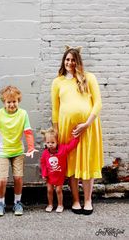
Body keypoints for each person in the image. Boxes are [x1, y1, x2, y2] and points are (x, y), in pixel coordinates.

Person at [51, 45, 103, 215]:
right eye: (67, 59)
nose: (70, 62)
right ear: (63, 61)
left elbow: (98, 103)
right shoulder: (58, 82)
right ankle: (75, 200)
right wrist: (56, 131)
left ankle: (88, 200)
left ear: (78, 61)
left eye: (73, 59)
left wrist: (87, 123)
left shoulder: (89, 78)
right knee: (71, 164)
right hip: (67, 130)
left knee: (86, 162)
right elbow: (55, 110)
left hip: (88, 128)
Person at [0, 86, 37, 216]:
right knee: (2, 180)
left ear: (18, 101)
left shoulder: (23, 114)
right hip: (3, 152)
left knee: (18, 178)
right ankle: (0, 203)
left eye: (14, 101)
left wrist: (31, 147)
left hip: (18, 151)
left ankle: (17, 203)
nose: (12, 104)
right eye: (9, 102)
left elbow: (28, 132)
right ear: (4, 102)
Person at [40, 127, 79, 213]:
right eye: (48, 143)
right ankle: (50, 204)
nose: (50, 144)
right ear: (45, 143)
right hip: (49, 176)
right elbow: (43, 164)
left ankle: (60, 205)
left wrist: (76, 138)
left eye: (53, 142)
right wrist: (44, 174)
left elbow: (71, 146)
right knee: (49, 190)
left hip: (59, 176)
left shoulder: (62, 149)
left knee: (58, 190)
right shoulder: (45, 153)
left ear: (57, 141)